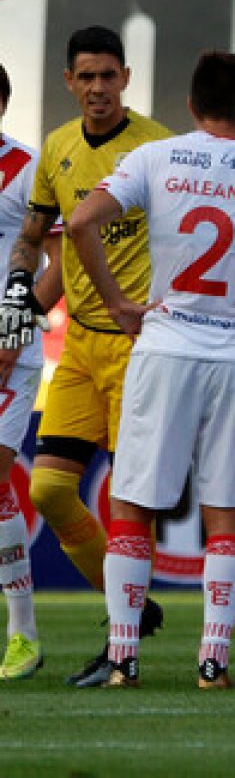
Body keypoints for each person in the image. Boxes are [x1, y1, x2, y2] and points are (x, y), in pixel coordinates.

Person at [66, 51, 235, 688]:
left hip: (166, 344)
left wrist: (118, 301)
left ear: (190, 104)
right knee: (227, 510)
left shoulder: (155, 157)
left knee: (133, 502)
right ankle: (213, 662)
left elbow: (81, 221)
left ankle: (123, 657)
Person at [0, 26, 171, 686]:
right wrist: (23, 310)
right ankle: (127, 602)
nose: (98, 88)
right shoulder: (59, 150)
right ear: (68, 83)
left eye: (109, 76)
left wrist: (15, 328)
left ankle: (121, 644)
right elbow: (40, 241)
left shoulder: (156, 147)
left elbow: (176, 237)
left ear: (125, 78)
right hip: (78, 347)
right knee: (48, 488)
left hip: (139, 346)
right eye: (86, 77)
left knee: (132, 498)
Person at [0, 64, 62, 680]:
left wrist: (11, 336)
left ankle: (22, 634)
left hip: (6, 349)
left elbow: (56, 263)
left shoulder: (27, 170)